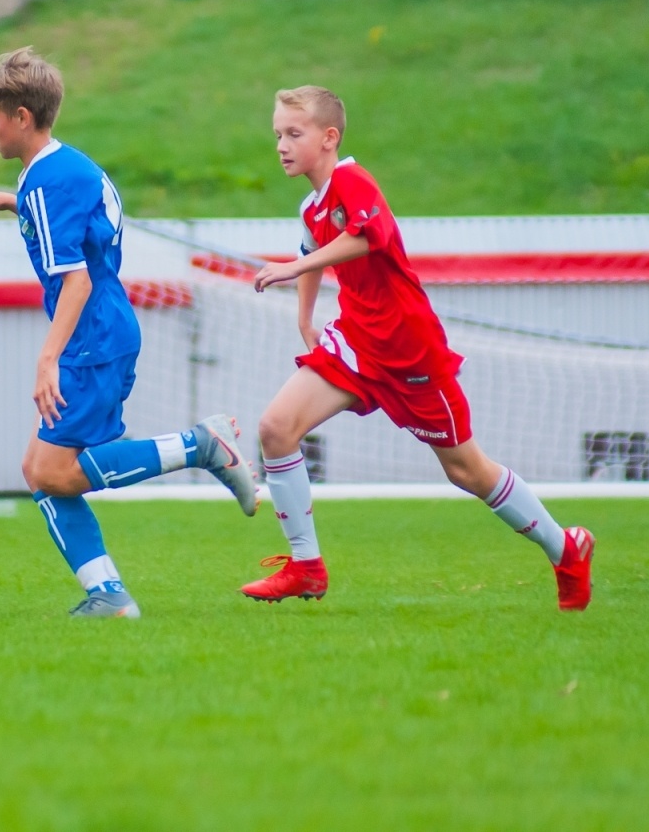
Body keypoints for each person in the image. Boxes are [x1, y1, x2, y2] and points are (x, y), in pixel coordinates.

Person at [245, 86, 594, 609]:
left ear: (329, 137)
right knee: (276, 429)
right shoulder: (311, 206)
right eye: (278, 135)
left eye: (294, 134)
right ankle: (306, 567)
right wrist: (304, 317)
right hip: (356, 342)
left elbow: (366, 237)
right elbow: (312, 245)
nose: (281, 145)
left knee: (466, 470)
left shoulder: (352, 181)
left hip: (409, 350)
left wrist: (293, 268)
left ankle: (566, 549)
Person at [0, 47, 258, 619]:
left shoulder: (47, 184)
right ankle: (107, 594)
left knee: (52, 471)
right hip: (104, 330)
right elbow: (79, 222)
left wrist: (48, 359)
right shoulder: (63, 168)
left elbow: (76, 282)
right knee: (40, 470)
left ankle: (200, 446)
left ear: (22, 116)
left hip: (90, 337)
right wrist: (11, 201)